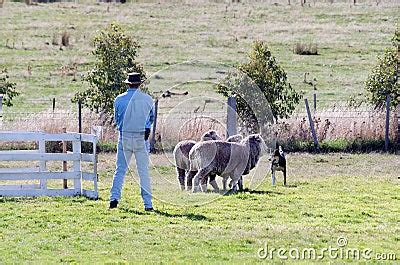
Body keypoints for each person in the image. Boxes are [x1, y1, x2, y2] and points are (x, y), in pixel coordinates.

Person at [109, 72, 154, 211]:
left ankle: (114, 199)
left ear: (128, 84)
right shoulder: (147, 99)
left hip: (125, 136)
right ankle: (148, 204)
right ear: (140, 84)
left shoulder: (119, 99)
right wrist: (146, 127)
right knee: (143, 172)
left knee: (120, 170)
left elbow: (117, 119)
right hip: (141, 136)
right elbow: (151, 118)